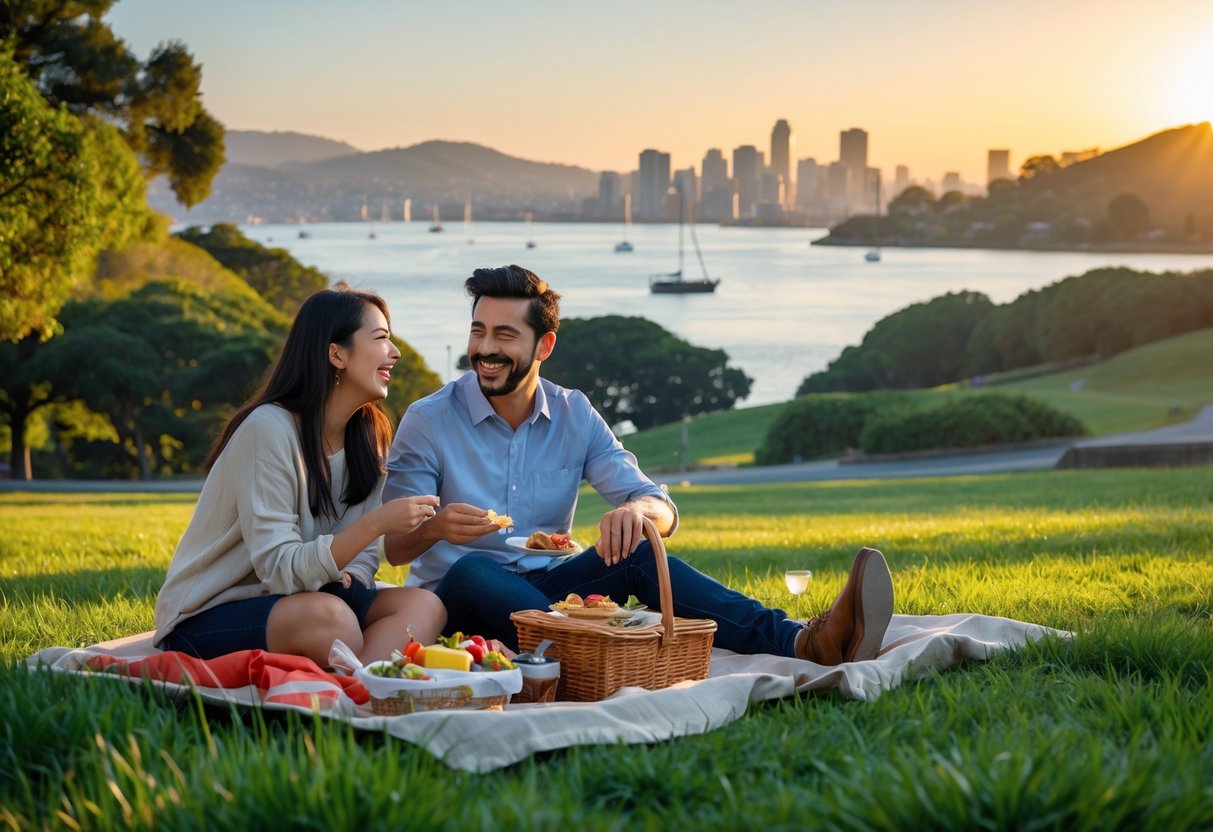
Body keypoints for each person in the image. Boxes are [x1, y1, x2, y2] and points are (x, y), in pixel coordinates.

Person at [383, 265, 894, 664]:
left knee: (638, 553)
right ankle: (591, 642)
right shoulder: (429, 420)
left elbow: (663, 508)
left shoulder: (573, 412)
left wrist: (639, 515)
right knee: (473, 568)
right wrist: (438, 528)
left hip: (552, 597)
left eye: (504, 335)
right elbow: (396, 546)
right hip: (457, 601)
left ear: (545, 345)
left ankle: (805, 643)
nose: (486, 349)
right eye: (478, 332)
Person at [153, 286, 446, 666]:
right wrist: (377, 524)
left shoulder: (369, 436)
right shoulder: (268, 429)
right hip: (213, 611)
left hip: (306, 597)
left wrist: (353, 580)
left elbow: (361, 562)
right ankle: (358, 683)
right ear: (336, 353)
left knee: (425, 606)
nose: (395, 352)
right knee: (332, 620)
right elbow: (277, 569)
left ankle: (359, 692)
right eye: (381, 339)